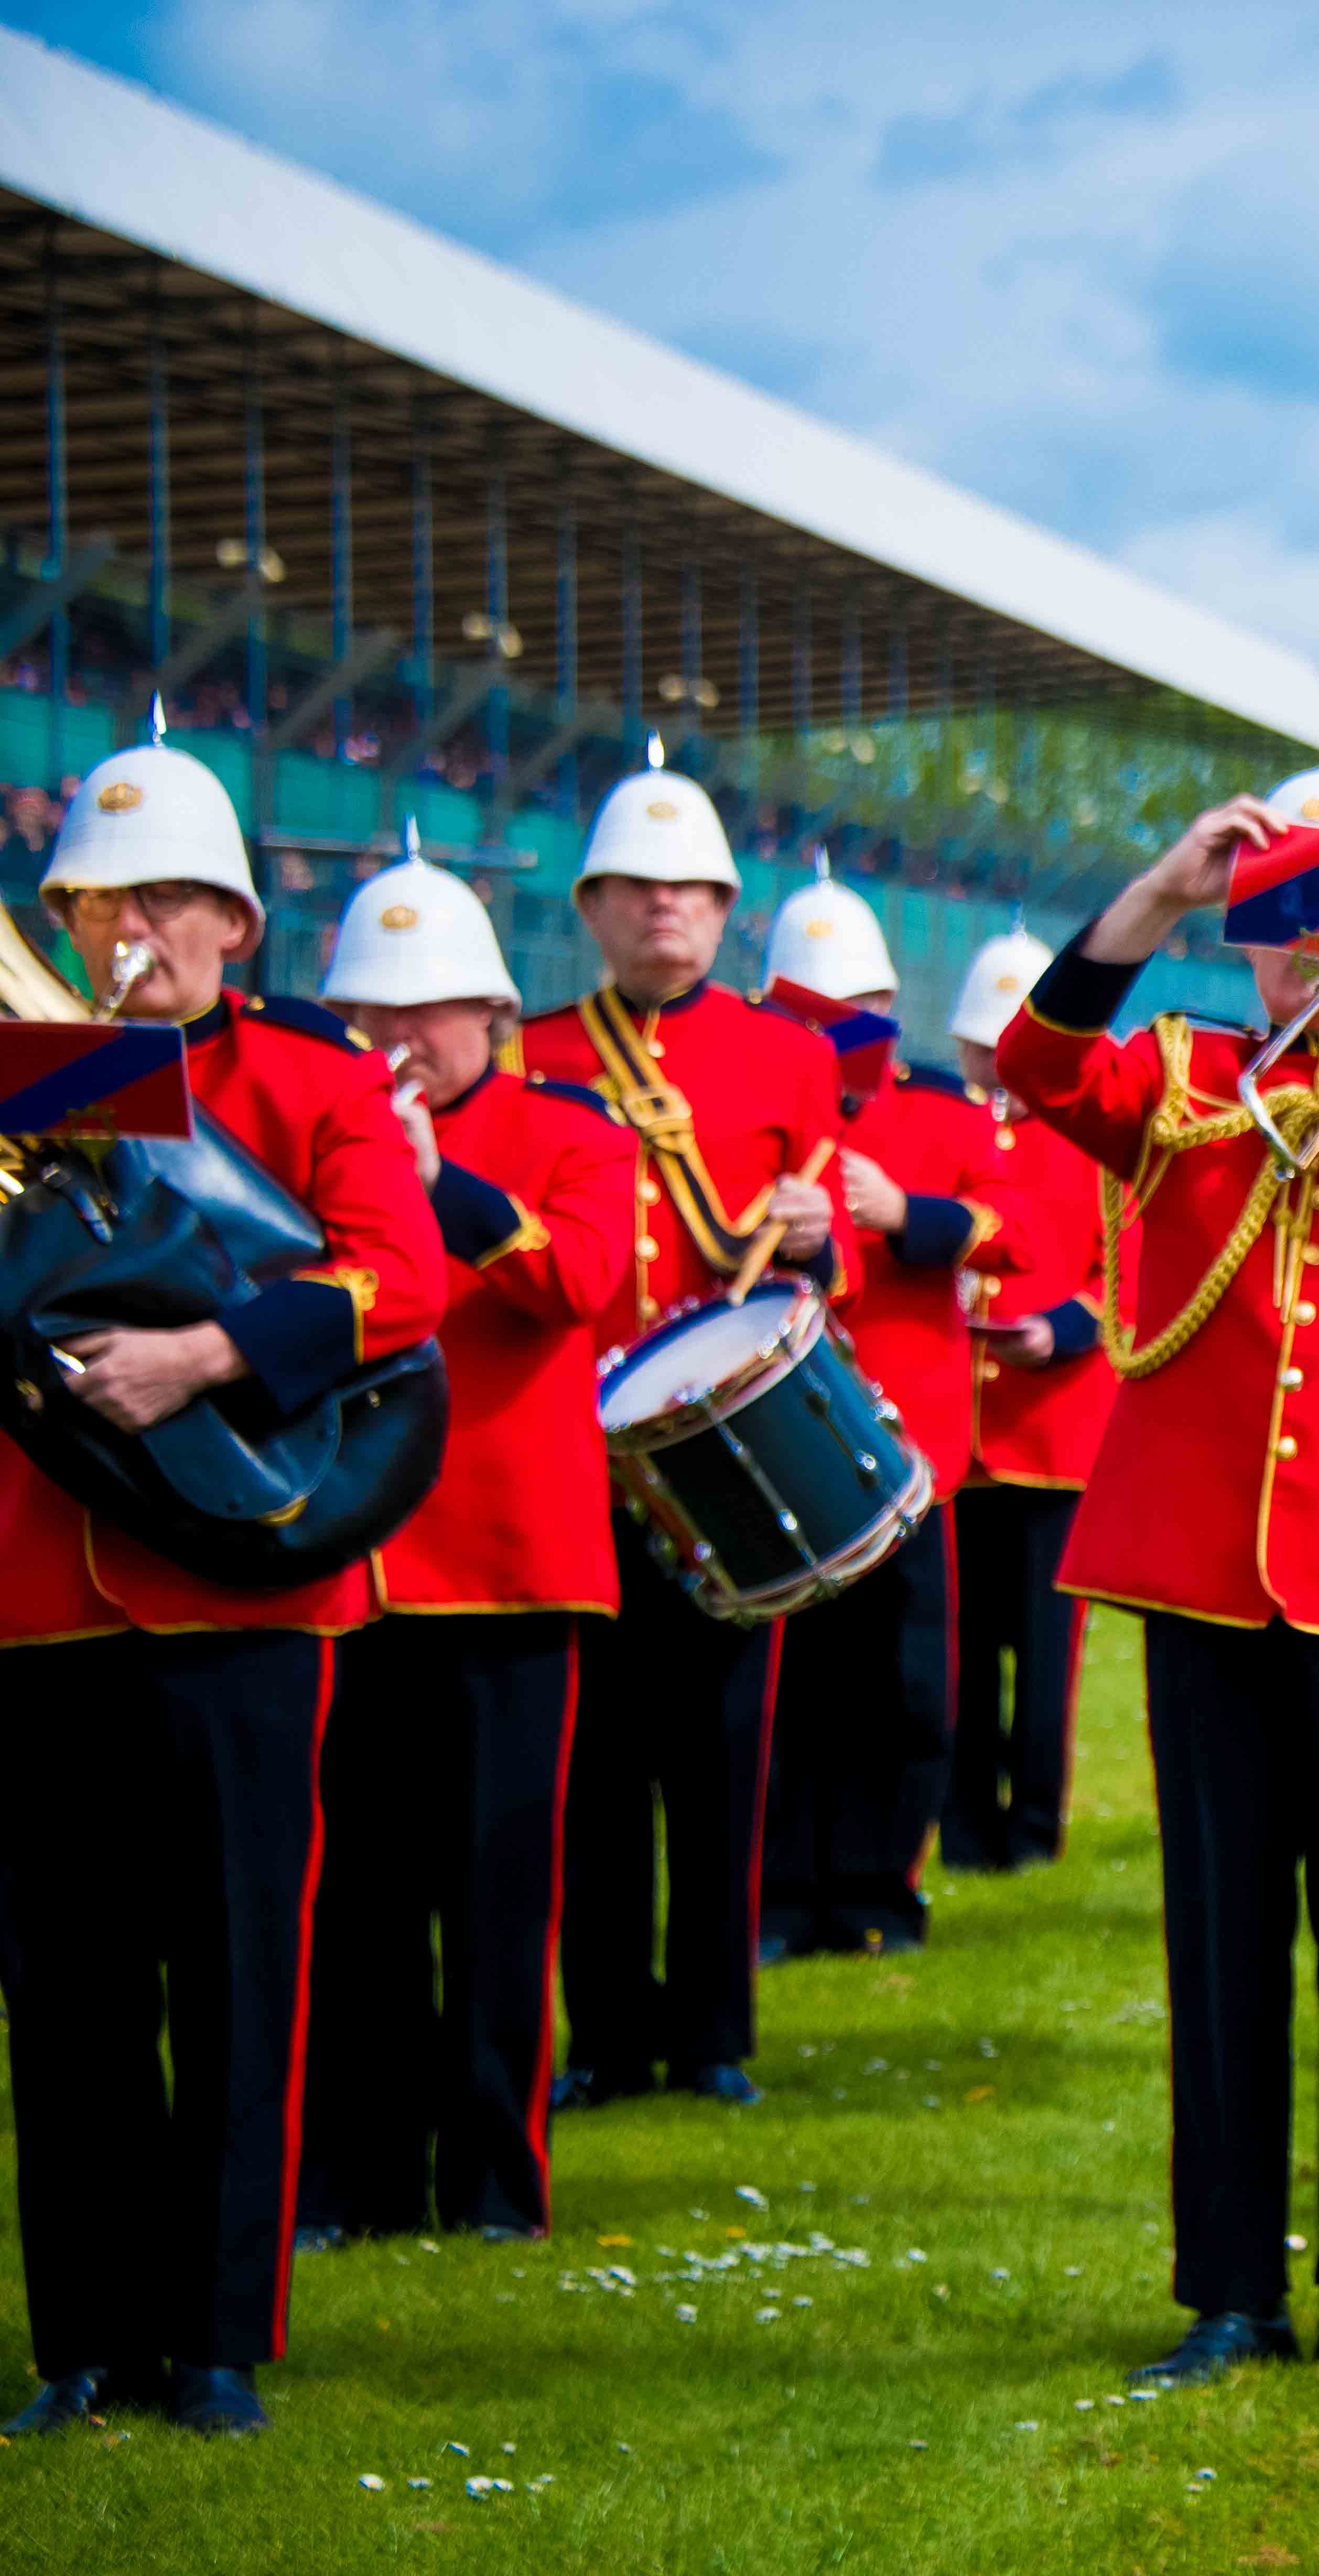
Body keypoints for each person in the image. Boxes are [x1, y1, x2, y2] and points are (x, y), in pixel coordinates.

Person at [0, 744, 444, 2438]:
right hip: (40, 1587)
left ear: (238, 927)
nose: (142, 928)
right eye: (109, 900)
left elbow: (400, 1282)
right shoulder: (13, 1081)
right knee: (69, 1982)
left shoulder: (313, 1084)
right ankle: (81, 2339)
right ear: (66, 918)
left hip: (249, 1589)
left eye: (179, 897)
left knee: (241, 1965)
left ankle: (216, 2338)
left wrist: (202, 1354)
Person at [998, 753, 1319, 2392]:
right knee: (1221, 1944)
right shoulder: (1182, 1068)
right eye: (1280, 914)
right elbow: (1041, 1059)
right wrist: (1157, 894)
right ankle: (1228, 2289)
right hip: (1201, 1572)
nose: (1309, 944)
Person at [297, 854, 636, 2250]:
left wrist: (441, 1191)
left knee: (501, 1890)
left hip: (511, 1561)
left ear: (495, 1013)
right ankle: (360, 2175)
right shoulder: (327, 1125)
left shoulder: (573, 1128)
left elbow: (583, 1282)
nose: (400, 1043)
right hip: (358, 1553)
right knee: (361, 1893)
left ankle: (496, 2183)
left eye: (431, 1014)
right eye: (374, 1018)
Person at [520, 754, 853, 2108]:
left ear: (726, 912)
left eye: (693, 890)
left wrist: (823, 1249)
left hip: (719, 1451)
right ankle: (603, 2035)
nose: (667, 909)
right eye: (638, 889)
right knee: (592, 1766)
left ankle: (712, 2033)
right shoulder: (533, 1054)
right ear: (593, 907)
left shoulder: (789, 1055)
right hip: (577, 1450)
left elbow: (816, 1267)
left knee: (721, 1755)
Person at [754, 869, 1031, 1959]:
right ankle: (782, 1891)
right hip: (783, 1434)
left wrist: (903, 1211)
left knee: (904, 1684)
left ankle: (878, 1885)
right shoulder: (754, 1104)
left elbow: (1014, 1232)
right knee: (795, 1690)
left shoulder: (940, 1112)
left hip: (910, 1442)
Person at [943, 925, 1116, 1874]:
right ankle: (964, 1823)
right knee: (963, 1655)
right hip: (959, 1434)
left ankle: (1035, 1825)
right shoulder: (953, 1133)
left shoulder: (1089, 1143)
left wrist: (1065, 1331)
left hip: (1054, 1432)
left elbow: (1123, 1270)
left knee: (1047, 1659)